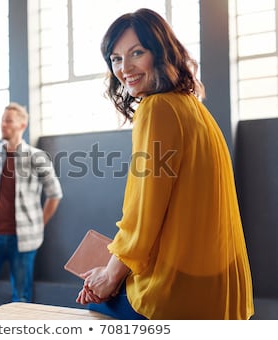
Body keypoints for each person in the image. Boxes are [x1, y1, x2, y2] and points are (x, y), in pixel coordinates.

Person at [76, 8, 254, 320]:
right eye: (116, 58)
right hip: (224, 293)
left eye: (136, 53)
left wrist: (110, 276)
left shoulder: (156, 109)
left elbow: (144, 213)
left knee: (90, 300)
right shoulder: (193, 107)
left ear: (160, 54)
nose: (124, 68)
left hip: (179, 294)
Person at [0, 102, 63, 311]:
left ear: (22, 125)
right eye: (2, 120)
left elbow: (55, 194)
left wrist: (39, 223)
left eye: (8, 121)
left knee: (22, 299)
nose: (3, 125)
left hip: (25, 240)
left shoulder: (37, 157)